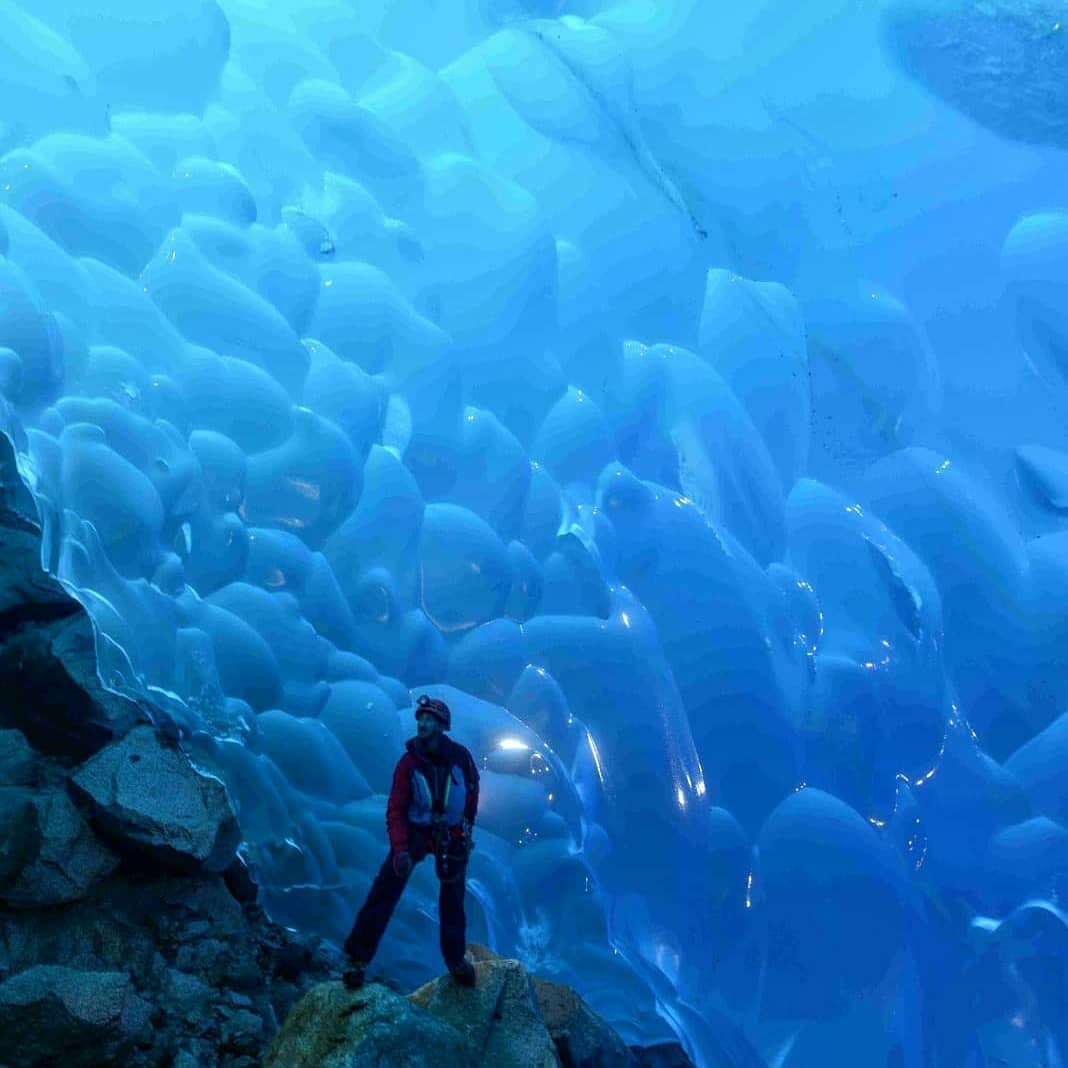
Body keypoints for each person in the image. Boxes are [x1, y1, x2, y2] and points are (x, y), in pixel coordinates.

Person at [341, 694, 480, 989]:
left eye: (429, 720)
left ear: (442, 726)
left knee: (453, 899)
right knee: (386, 888)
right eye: (421, 719)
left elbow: (471, 789)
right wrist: (401, 849)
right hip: (417, 833)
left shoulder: (461, 757)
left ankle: (455, 960)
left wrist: (467, 828)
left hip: (452, 835)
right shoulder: (408, 764)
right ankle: (357, 958)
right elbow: (396, 809)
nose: (423, 724)